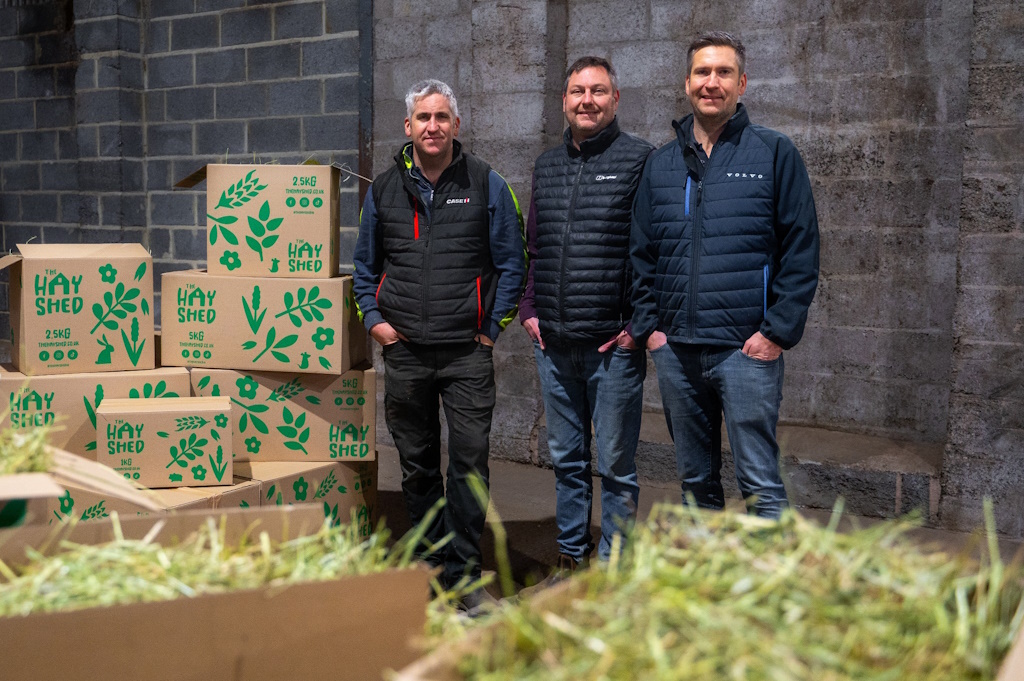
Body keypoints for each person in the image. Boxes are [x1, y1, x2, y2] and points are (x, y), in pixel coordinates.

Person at [630, 32, 820, 519]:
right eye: (702, 72)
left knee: (759, 483)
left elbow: (801, 250)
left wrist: (776, 333)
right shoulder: (661, 163)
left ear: (742, 83)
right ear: (686, 83)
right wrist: (652, 331)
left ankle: (768, 570)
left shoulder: (773, 153)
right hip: (677, 352)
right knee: (695, 483)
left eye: (723, 72)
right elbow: (641, 254)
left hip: (745, 351)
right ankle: (707, 566)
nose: (711, 82)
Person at [352, 79, 526, 609]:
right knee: (417, 466)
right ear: (408, 126)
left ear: (456, 125)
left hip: (466, 355)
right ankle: (431, 570)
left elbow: (513, 262)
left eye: (442, 117)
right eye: (423, 118)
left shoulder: (488, 183)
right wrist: (376, 322)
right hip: (404, 352)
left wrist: (491, 329)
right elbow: (364, 267)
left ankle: (464, 576)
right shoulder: (384, 189)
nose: (433, 126)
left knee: (469, 467)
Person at [520, 56, 653, 570]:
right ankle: (572, 556)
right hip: (553, 346)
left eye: (598, 91)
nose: (587, 100)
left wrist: (637, 328)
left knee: (616, 465)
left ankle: (615, 566)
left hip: (611, 348)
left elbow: (655, 250)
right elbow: (534, 246)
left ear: (615, 99)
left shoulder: (639, 160)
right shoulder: (547, 166)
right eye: (578, 91)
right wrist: (528, 308)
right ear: (564, 100)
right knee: (567, 460)